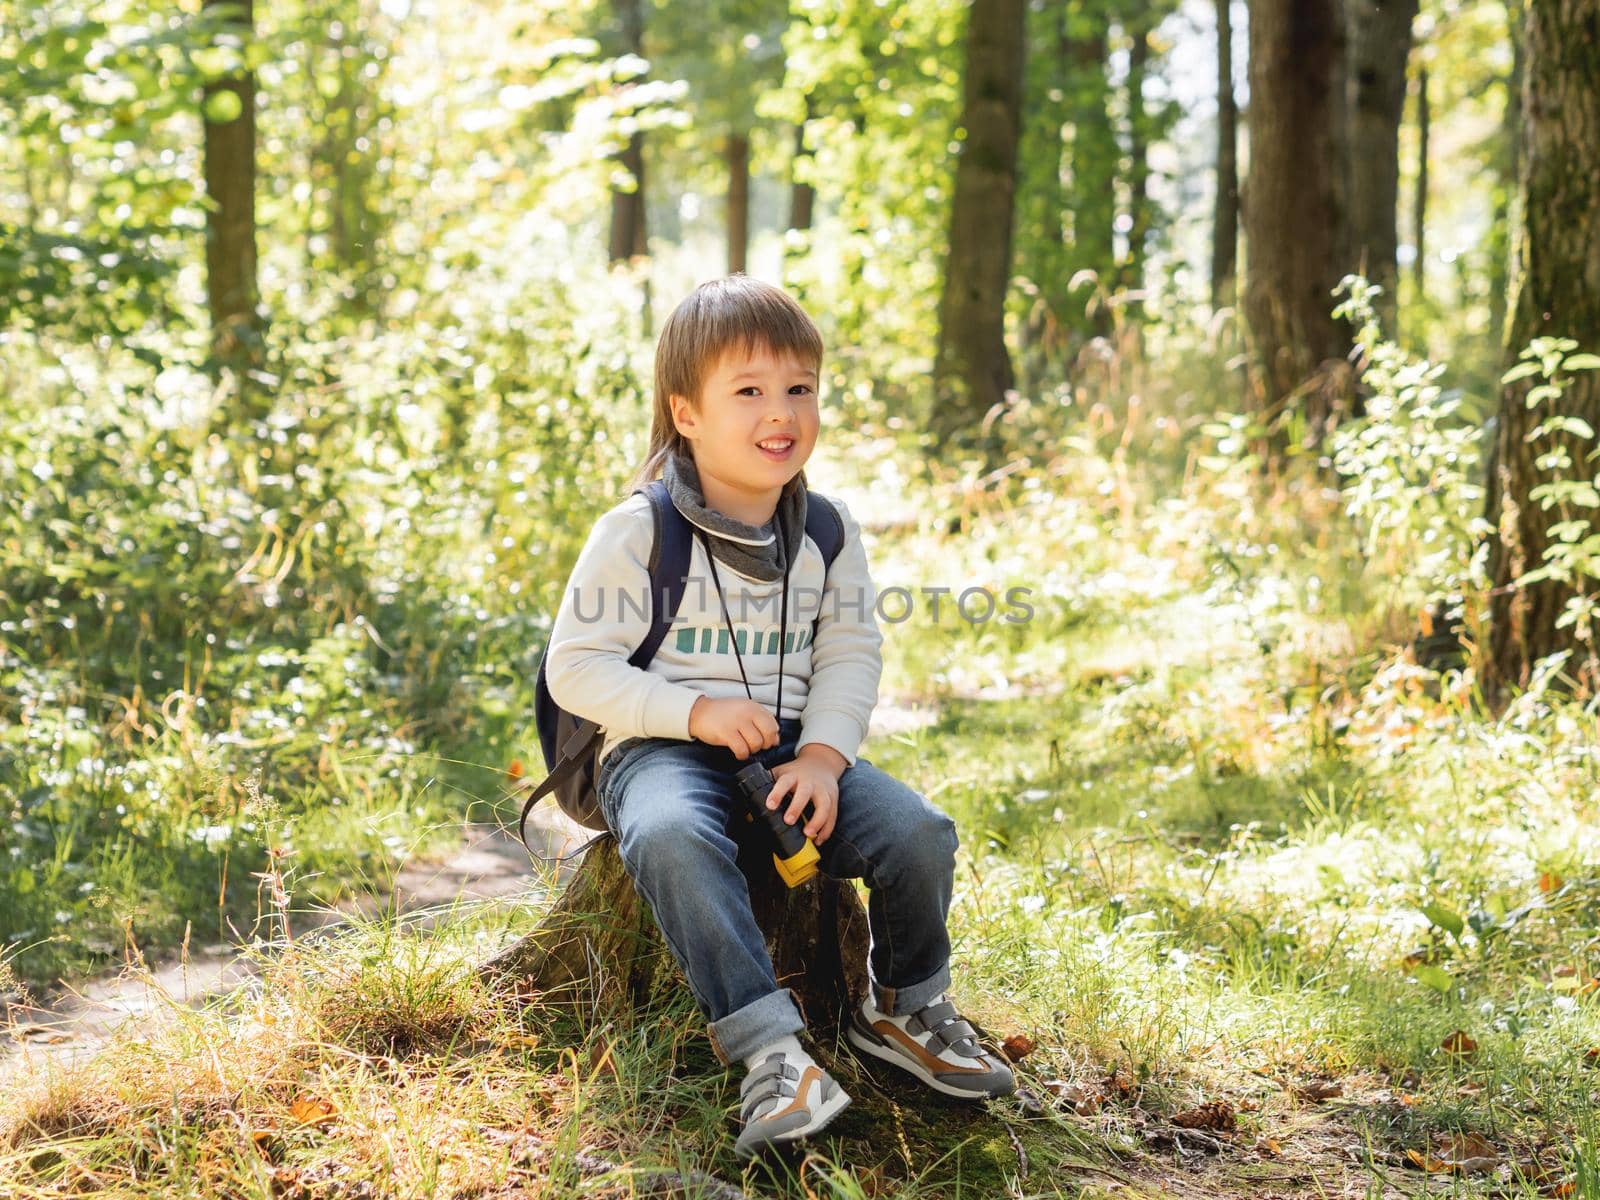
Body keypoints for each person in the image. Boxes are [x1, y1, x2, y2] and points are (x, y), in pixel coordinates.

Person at [544, 274, 1015, 1159]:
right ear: (686, 413)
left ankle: (905, 1008)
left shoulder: (827, 530)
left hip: (793, 752)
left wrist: (828, 759)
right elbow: (576, 667)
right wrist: (694, 710)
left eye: (800, 388)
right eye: (750, 391)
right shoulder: (638, 530)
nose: (782, 411)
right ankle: (771, 1053)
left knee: (919, 833)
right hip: (661, 747)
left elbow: (849, 653)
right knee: (675, 838)